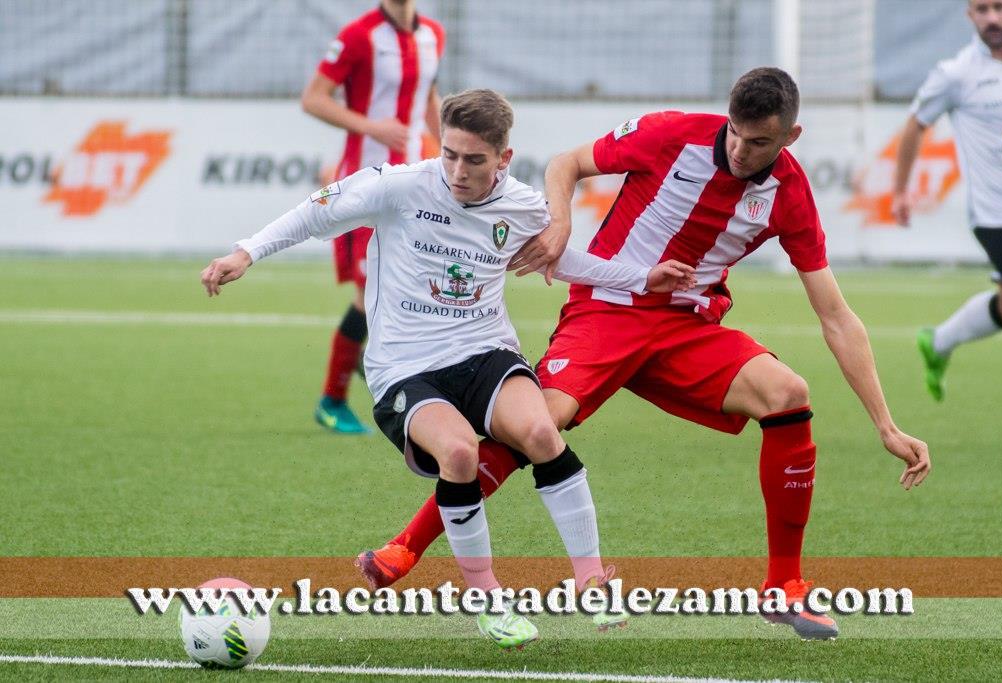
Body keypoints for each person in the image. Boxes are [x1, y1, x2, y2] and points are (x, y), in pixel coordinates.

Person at [356, 68, 933, 642]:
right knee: (538, 423)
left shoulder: (790, 195)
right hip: (606, 310)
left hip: (685, 326)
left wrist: (885, 424)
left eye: (759, 142)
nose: (739, 149)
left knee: (788, 394)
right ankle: (404, 548)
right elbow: (566, 163)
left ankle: (784, 588)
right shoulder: (671, 133)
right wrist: (559, 228)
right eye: (735, 132)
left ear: (791, 137)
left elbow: (835, 314)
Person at [201, 89, 696, 649]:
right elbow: (315, 212)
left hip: (484, 352)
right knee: (459, 452)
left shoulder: (524, 206)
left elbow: (558, 259)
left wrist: (639, 278)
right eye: (451, 155)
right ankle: (488, 602)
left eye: (474, 159)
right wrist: (245, 252)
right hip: (405, 367)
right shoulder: (400, 186)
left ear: (503, 159)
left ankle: (592, 582)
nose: (458, 171)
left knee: (539, 430)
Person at [301, 0, 444, 433]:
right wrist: (370, 127)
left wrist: (452, 151)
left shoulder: (434, 34)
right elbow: (313, 99)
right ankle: (332, 399)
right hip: (366, 186)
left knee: (421, 285)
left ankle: (385, 369)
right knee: (369, 294)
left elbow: (429, 98)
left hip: (414, 184)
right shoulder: (358, 36)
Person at [892, 0, 1002, 402]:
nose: (991, 17)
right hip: (997, 217)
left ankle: (940, 341)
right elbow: (916, 125)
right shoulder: (957, 74)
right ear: (970, 16)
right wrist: (900, 191)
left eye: (998, 7)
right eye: (981, 10)